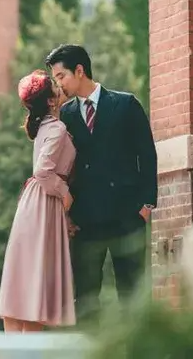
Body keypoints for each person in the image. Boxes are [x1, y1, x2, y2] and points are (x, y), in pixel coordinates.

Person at [47, 43, 158, 323]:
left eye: (61, 76)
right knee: (85, 297)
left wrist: (146, 205)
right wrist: (68, 214)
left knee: (132, 293)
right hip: (86, 220)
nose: (59, 85)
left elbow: (146, 154)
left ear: (79, 71)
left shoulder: (126, 104)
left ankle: (135, 347)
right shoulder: (66, 115)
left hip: (127, 216)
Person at [0, 70, 76, 331]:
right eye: (55, 85)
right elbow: (42, 171)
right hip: (45, 202)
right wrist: (64, 191)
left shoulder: (44, 127)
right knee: (36, 283)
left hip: (33, 202)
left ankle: (13, 346)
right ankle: (27, 347)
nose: (60, 86)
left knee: (24, 279)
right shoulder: (57, 128)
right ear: (51, 101)